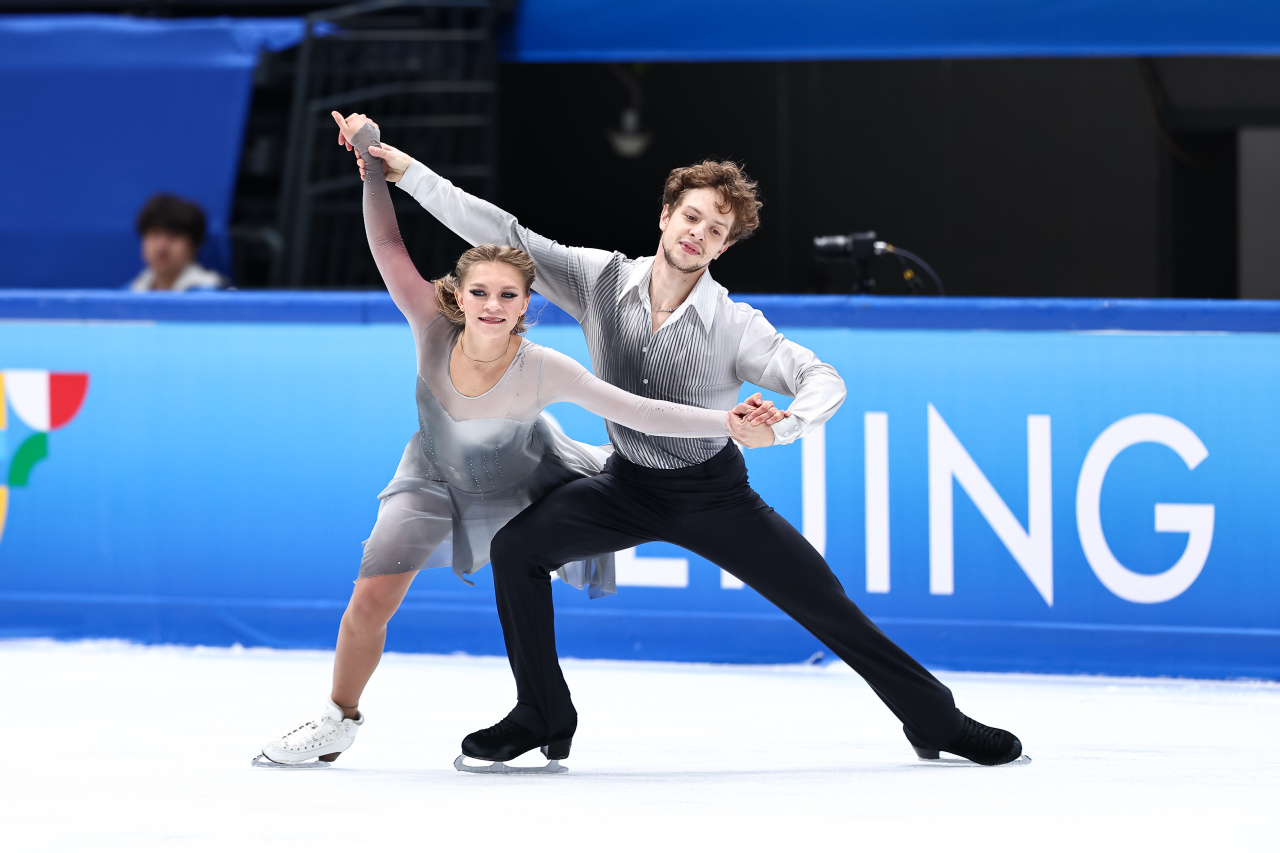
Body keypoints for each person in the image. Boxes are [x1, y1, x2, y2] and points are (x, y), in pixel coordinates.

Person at [333, 110, 1028, 770]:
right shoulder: (599, 278)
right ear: (666, 216)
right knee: (517, 550)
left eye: (716, 229)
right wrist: (406, 172)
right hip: (625, 485)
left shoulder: (734, 325)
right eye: (692, 216)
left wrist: (784, 428)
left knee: (824, 602)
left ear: (725, 247)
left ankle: (935, 720)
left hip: (712, 495)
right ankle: (542, 712)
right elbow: (504, 229)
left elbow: (819, 376)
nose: (699, 232)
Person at [254, 120, 775, 767]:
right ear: (458, 295)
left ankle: (543, 711)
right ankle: (339, 718)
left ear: (527, 304)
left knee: (535, 550)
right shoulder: (429, 323)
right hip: (433, 477)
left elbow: (639, 409)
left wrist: (727, 424)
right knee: (371, 597)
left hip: (527, 476)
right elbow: (387, 243)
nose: (493, 306)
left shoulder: (546, 367)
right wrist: (370, 162)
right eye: (480, 292)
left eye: (508, 295)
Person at [127, 194, 224, 292]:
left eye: (173, 236)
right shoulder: (129, 292)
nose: (162, 246)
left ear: (195, 245)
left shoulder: (213, 294)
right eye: (155, 234)